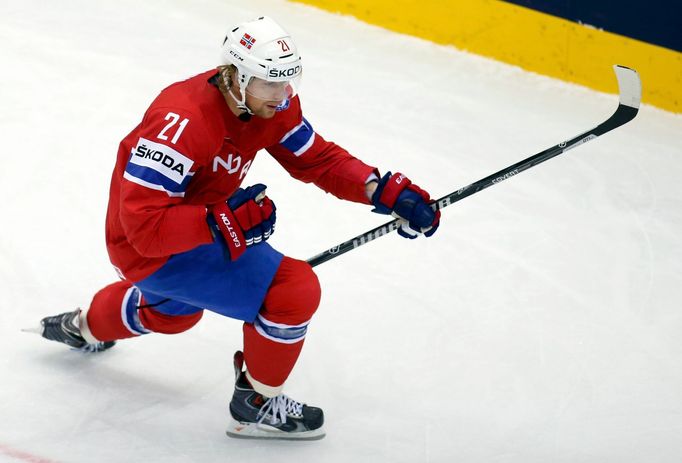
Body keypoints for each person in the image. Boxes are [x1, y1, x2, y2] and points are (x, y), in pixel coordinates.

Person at [37, 16, 440, 440]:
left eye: (289, 82)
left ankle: (79, 327)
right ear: (237, 77)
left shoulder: (269, 105)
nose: (284, 96)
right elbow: (143, 226)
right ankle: (257, 403)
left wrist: (380, 190)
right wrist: (219, 221)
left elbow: (316, 159)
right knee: (293, 289)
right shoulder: (183, 122)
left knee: (174, 314)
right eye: (271, 83)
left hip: (184, 234)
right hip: (149, 244)